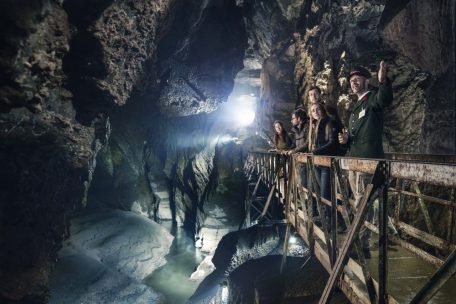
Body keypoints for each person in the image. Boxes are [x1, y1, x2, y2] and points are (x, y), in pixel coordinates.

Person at [338, 61, 393, 258]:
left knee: (364, 205)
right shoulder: (357, 106)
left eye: (357, 79)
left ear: (366, 80)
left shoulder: (372, 100)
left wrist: (383, 80)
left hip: (367, 163)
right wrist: (346, 140)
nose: (354, 83)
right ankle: (365, 242)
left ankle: (362, 245)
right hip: (355, 162)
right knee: (360, 203)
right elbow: (357, 135)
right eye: (352, 80)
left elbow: (384, 98)